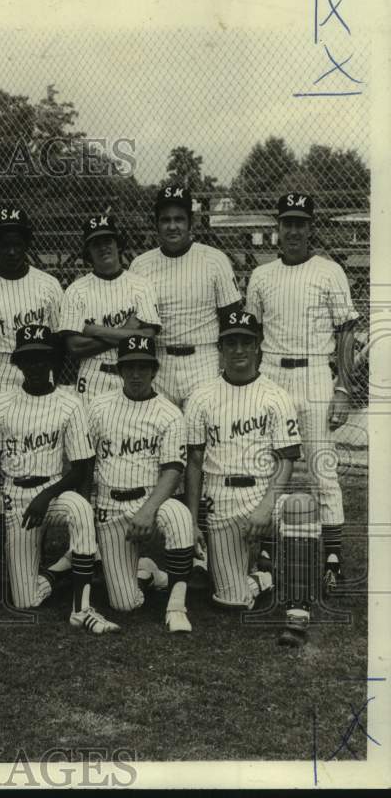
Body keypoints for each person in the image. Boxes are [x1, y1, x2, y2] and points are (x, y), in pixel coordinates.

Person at [245, 192, 360, 595]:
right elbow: (252, 335)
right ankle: (266, 553)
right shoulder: (262, 275)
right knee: (267, 465)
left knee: (321, 470)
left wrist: (344, 387)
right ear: (277, 227)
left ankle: (331, 561)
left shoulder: (329, 271)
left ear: (312, 228)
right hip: (272, 373)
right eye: (287, 222)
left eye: (300, 223)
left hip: (314, 373)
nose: (293, 230)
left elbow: (347, 332)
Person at [183, 310, 318, 645]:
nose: (239, 350)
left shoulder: (275, 395)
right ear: (220, 347)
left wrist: (266, 505)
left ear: (258, 347)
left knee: (301, 505)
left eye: (246, 342)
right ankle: (265, 575)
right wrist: (191, 519)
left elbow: (287, 460)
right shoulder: (201, 396)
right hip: (221, 500)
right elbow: (195, 462)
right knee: (232, 601)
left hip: (262, 492)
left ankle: (297, 611)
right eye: (231, 343)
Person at [0, 325, 120, 634]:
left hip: (54, 491)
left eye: (41, 358)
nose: (35, 366)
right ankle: (61, 569)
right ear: (17, 363)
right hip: (14, 496)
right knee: (25, 600)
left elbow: (82, 466)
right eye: (28, 359)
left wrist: (47, 495)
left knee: (81, 508)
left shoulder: (69, 403)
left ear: (52, 361)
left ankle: (81, 608)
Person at [87, 336, 194, 633]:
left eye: (143, 367)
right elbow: (85, 462)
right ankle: (150, 574)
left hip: (150, 500)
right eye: (130, 367)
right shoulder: (98, 406)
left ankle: (176, 606)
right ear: (120, 370)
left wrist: (148, 510)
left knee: (180, 515)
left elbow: (173, 469)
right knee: (125, 604)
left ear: (154, 370)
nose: (136, 374)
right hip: (109, 506)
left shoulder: (169, 413)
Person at [130, 185, 243, 409]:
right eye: (165, 220)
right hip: (159, 360)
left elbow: (232, 318)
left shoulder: (214, 260)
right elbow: (135, 322)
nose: (173, 226)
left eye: (179, 219)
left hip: (202, 358)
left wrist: (226, 365)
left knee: (202, 435)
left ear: (191, 222)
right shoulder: (140, 265)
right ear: (157, 224)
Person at [0, 206, 64, 404]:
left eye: (17, 244)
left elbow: (58, 342)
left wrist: (53, 377)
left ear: (26, 244)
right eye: (4, 245)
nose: (11, 251)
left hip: (40, 367)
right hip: (1, 369)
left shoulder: (49, 285)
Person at [59, 214, 161, 406]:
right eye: (96, 243)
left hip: (132, 375)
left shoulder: (141, 285)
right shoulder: (75, 290)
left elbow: (147, 337)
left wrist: (94, 330)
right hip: (92, 376)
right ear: (88, 251)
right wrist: (127, 331)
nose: (103, 247)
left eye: (108, 240)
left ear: (118, 244)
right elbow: (74, 347)